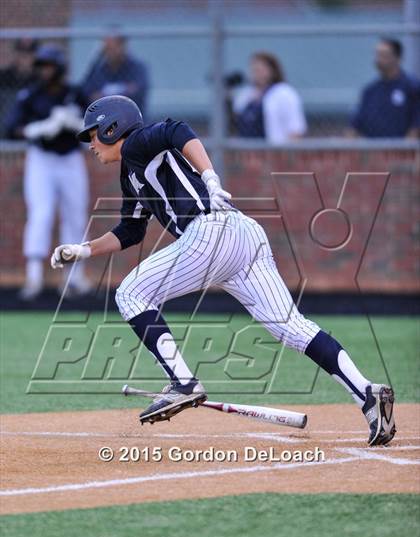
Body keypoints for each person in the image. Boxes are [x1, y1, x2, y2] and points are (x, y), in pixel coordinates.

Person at [51, 95, 395, 446]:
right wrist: (84, 250)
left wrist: (210, 176)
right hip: (242, 234)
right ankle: (367, 393)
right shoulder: (132, 173)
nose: (91, 143)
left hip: (211, 233)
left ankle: (182, 382)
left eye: (94, 134)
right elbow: (131, 230)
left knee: (130, 293)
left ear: (113, 128)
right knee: (293, 327)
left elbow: (176, 130)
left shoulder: (138, 142)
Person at [6, 44, 90, 300]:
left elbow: (96, 126)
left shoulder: (75, 94)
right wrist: (40, 128)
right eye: (41, 67)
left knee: (75, 214)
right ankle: (34, 277)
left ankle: (73, 278)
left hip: (71, 158)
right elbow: (11, 128)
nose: (45, 72)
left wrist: (76, 124)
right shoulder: (31, 95)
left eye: (49, 67)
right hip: (41, 160)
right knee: (40, 214)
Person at [348, 38, 420, 138]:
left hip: (402, 150)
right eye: (377, 55)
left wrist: (405, 149)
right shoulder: (370, 91)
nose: (378, 59)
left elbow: (416, 126)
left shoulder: (412, 87)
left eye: (384, 55)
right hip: (374, 150)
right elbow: (355, 126)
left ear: (397, 58)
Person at [231, 52, 306, 143]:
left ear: (272, 71)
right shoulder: (246, 95)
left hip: (274, 152)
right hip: (247, 152)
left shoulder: (284, 93)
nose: (257, 73)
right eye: (254, 69)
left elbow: (296, 129)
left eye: (261, 69)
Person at [82, 33, 149, 117]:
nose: (108, 53)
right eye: (106, 49)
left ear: (122, 46)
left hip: (131, 118)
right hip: (103, 119)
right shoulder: (99, 69)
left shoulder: (136, 67)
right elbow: (88, 93)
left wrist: (104, 96)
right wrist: (123, 91)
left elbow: (137, 91)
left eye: (112, 48)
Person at [0, 39, 38, 138]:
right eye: (22, 54)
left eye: (29, 54)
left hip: (32, 131)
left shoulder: (39, 79)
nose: (25, 58)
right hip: (5, 130)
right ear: (16, 55)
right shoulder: (4, 77)